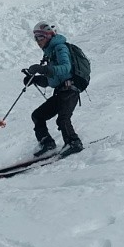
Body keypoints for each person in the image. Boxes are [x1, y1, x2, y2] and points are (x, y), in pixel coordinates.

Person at [22, 21, 83, 155]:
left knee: (63, 118)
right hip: (61, 92)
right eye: (35, 38)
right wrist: (35, 79)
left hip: (70, 90)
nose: (37, 41)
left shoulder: (60, 48)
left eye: (40, 37)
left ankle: (74, 143)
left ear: (48, 36)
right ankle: (47, 144)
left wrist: (42, 69)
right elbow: (54, 80)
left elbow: (66, 67)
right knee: (38, 115)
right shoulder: (50, 53)